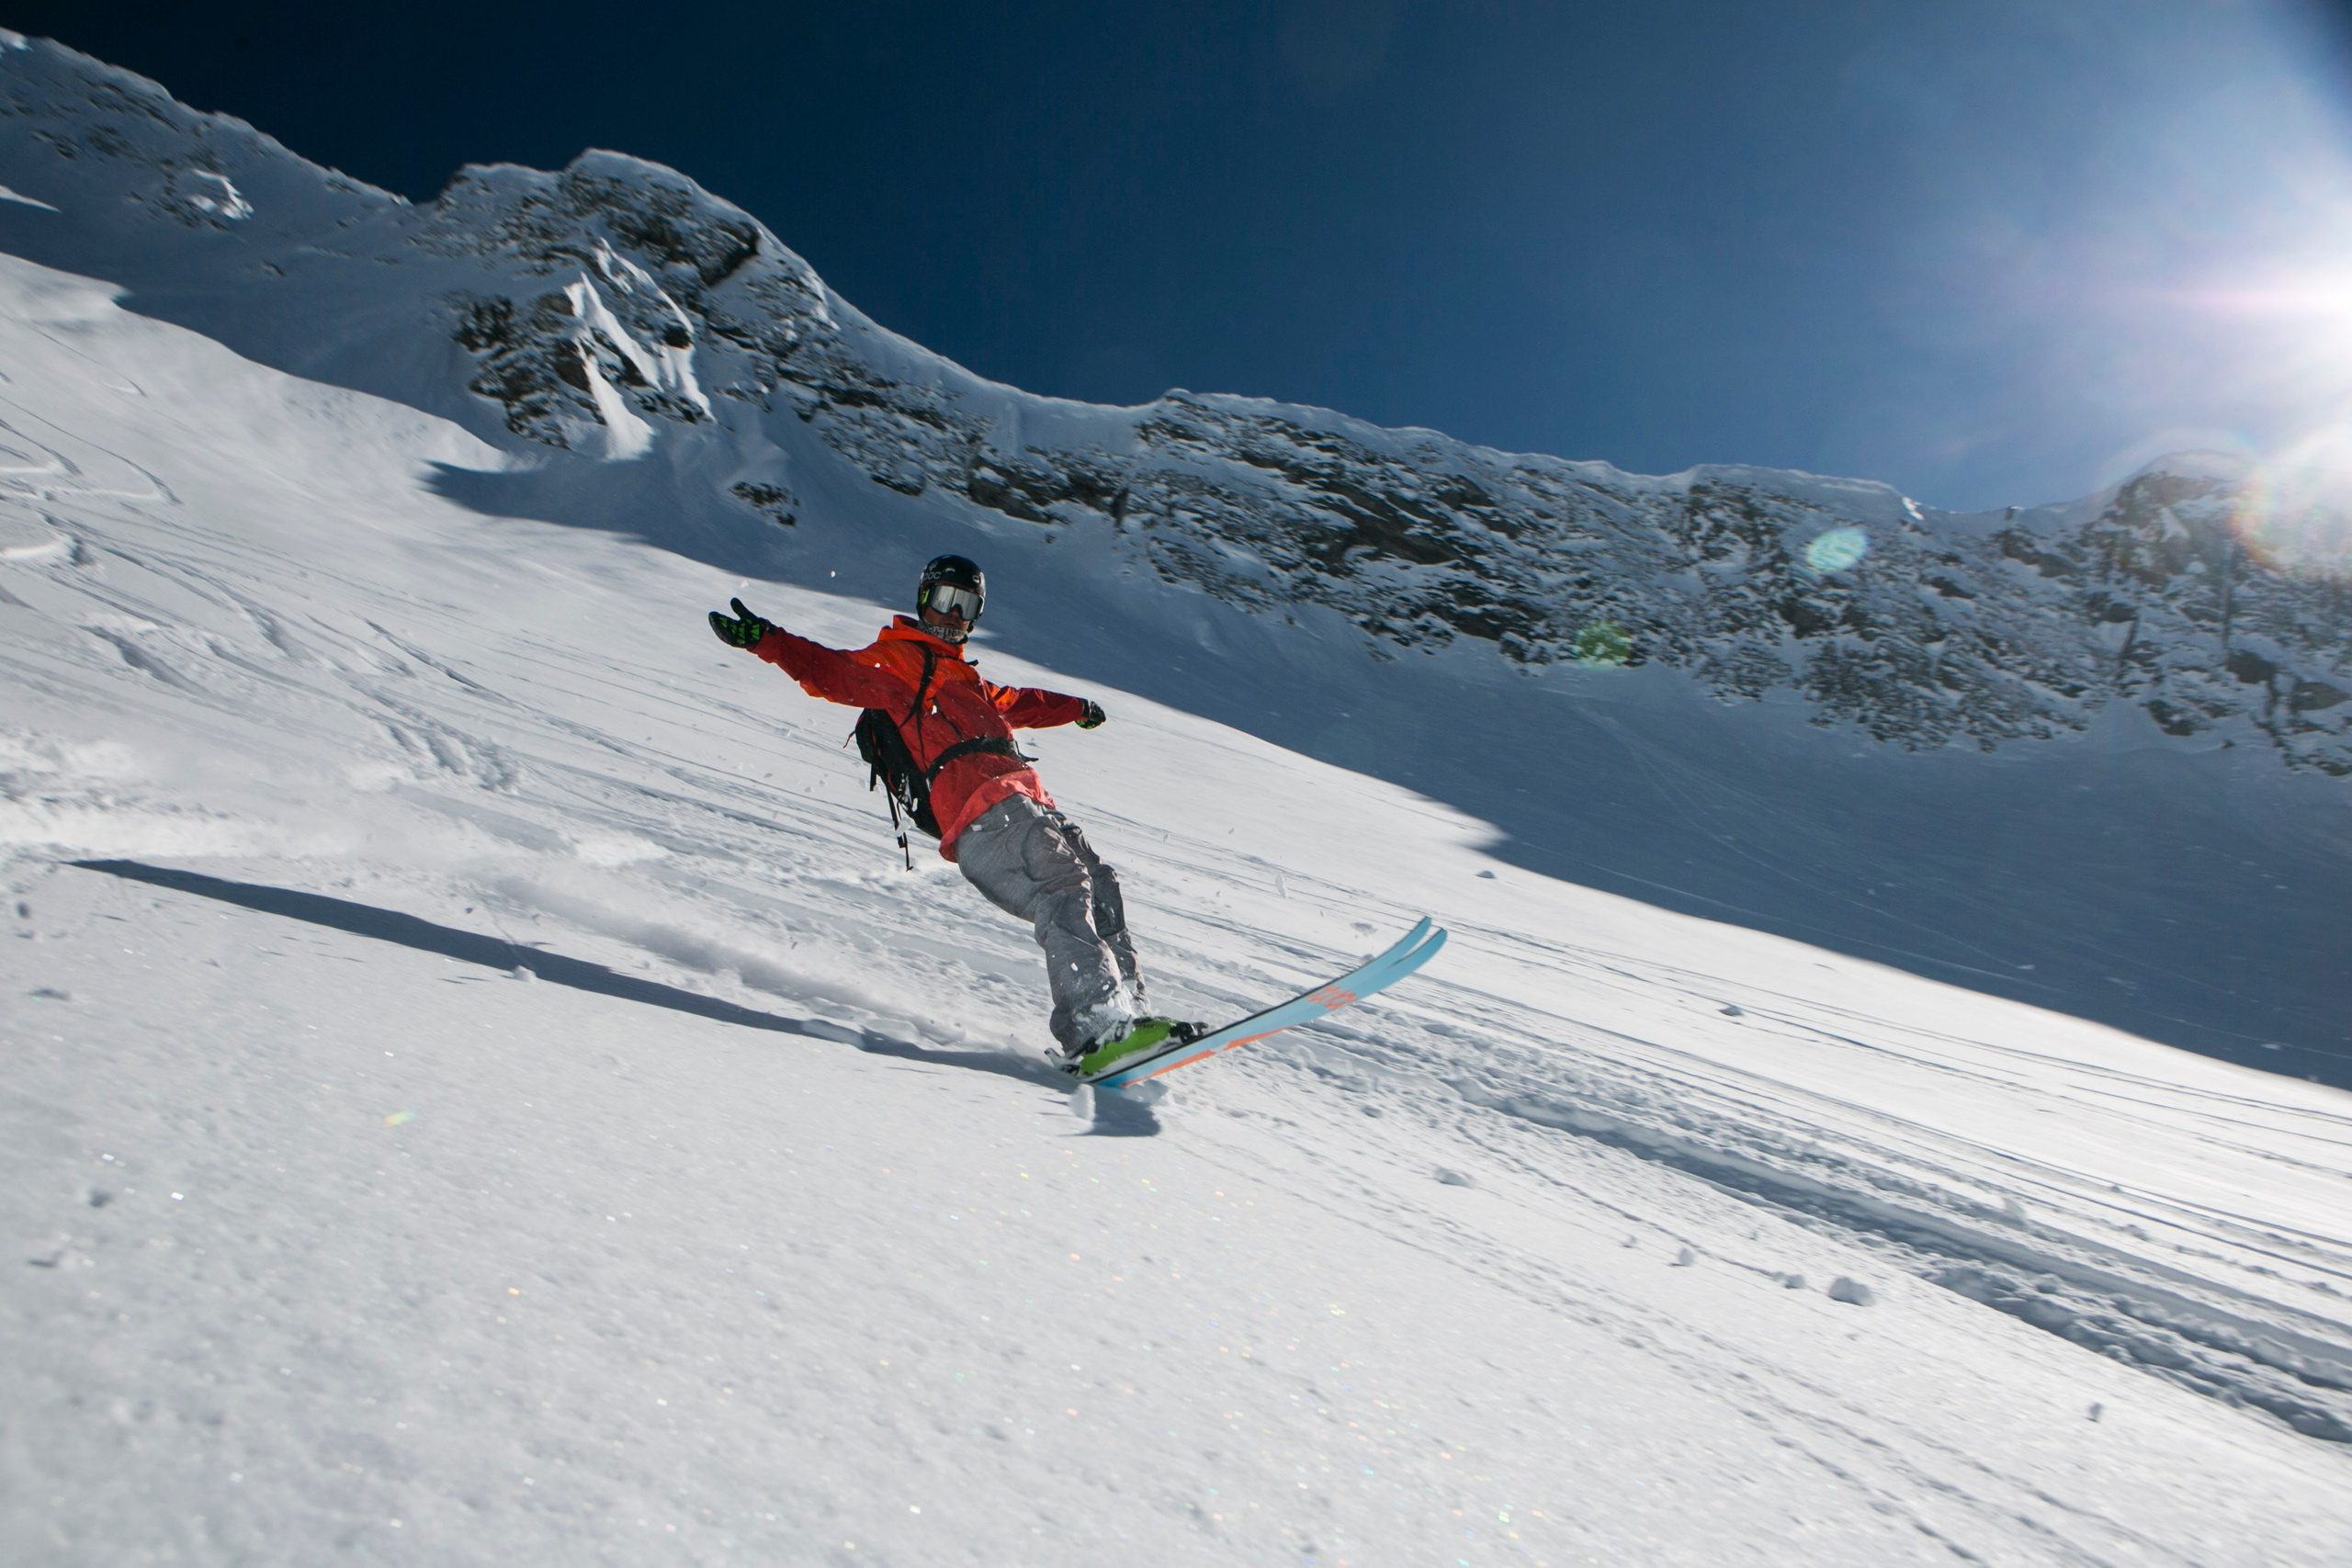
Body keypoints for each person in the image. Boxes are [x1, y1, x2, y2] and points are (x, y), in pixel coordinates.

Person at [708, 555, 1199, 1077]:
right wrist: (767, 640)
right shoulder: (900, 662)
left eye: (965, 607)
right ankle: (1094, 1026)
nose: (952, 615)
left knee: (1099, 883)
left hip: (1027, 800)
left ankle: (1129, 1015)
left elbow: (1021, 702)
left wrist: (1075, 708)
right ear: (923, 600)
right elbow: (832, 673)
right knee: (1064, 884)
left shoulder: (964, 678)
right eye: (944, 600)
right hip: (982, 810)